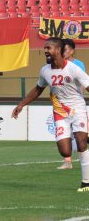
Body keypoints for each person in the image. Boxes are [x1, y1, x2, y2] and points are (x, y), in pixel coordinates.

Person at [12, 37, 89, 192]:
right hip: (59, 112)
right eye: (45, 48)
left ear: (59, 50)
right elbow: (38, 89)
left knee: (81, 144)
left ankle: (86, 182)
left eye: (49, 48)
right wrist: (21, 104)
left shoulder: (73, 69)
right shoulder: (45, 70)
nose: (46, 51)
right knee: (65, 151)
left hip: (77, 109)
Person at [56, 38, 86, 170]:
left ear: (72, 51)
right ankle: (67, 162)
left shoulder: (78, 64)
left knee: (80, 134)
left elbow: (83, 82)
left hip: (75, 104)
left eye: (65, 49)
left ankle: (84, 161)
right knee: (63, 134)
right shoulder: (56, 63)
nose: (63, 52)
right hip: (59, 105)